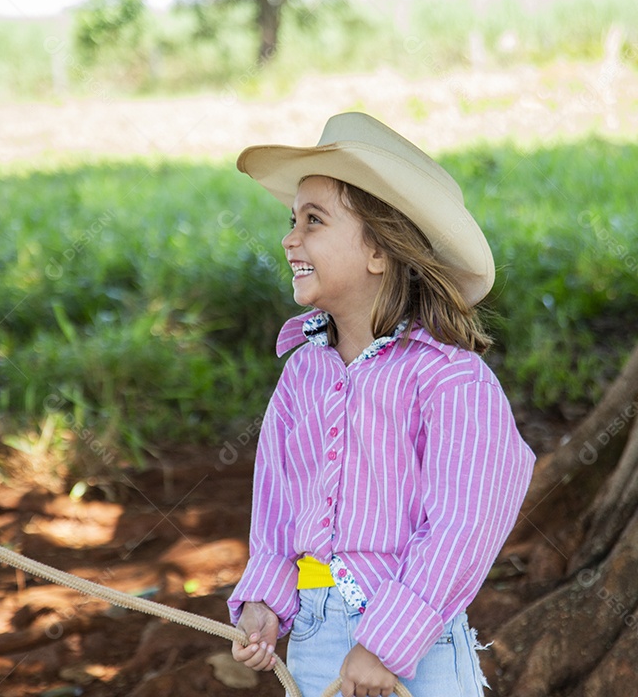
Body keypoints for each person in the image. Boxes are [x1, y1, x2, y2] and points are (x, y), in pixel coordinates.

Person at [227, 112, 535, 697]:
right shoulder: (301, 376)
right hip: (316, 642)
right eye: (291, 221)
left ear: (379, 250)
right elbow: (276, 508)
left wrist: (385, 643)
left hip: (417, 649)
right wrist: (266, 603)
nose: (290, 238)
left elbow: (464, 524)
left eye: (313, 221)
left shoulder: (451, 379)